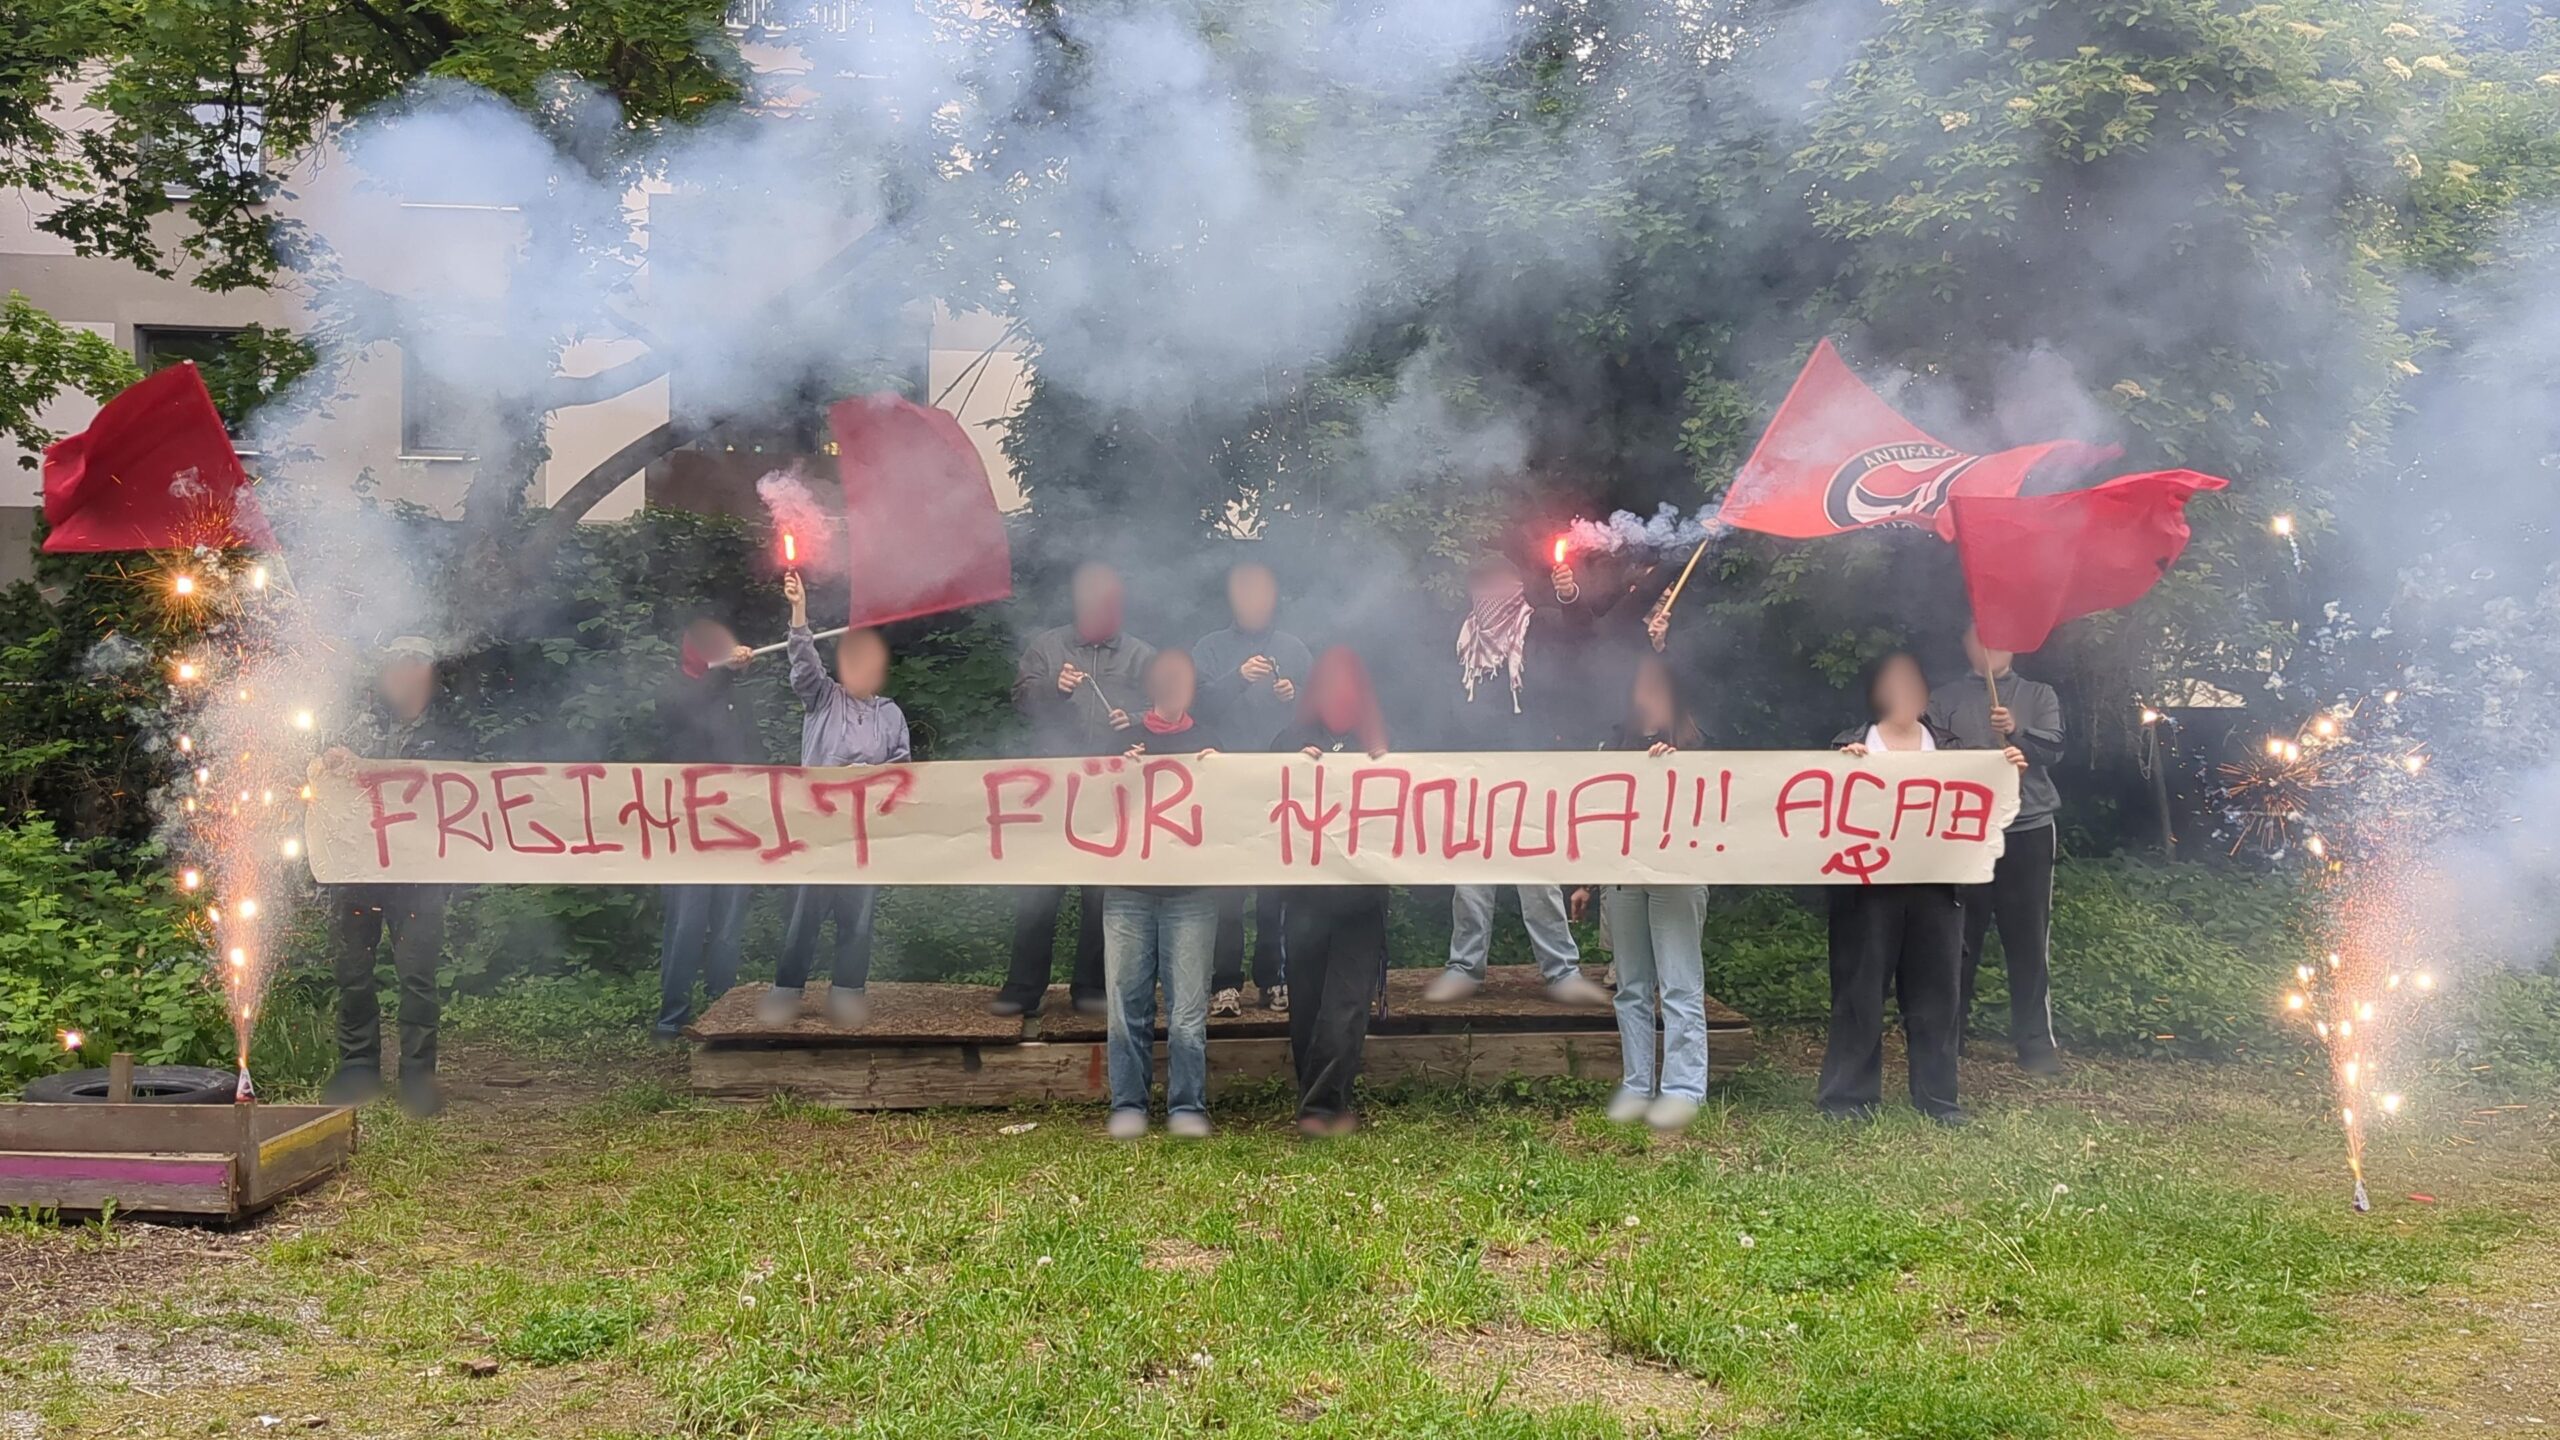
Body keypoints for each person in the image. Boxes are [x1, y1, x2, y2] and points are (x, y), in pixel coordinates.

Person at [1817, 650, 2029, 1126]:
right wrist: (1841, 769)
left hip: (1938, 888)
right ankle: (1847, 1099)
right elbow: (1825, 816)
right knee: (1860, 993)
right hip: (1868, 890)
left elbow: (1991, 808)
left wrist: (2008, 770)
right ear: (1875, 692)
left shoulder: (1951, 749)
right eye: (1893, 683)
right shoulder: (1849, 745)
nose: (1904, 693)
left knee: (1937, 996)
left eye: (1912, 683)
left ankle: (1939, 1100)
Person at [1424, 552, 1610, 1007]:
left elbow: (1583, 634)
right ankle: (1464, 967)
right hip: (1473, 772)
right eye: (1482, 584)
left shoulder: (1542, 624)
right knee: (1469, 875)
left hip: (1533, 766)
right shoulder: (1463, 638)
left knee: (1539, 874)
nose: (1491, 594)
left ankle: (1561, 969)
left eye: (1501, 582)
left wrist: (1570, 597)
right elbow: (1447, 705)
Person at [313, 636, 470, 1117]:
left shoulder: (450, 734)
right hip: (357, 870)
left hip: (421, 873)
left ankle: (417, 1078)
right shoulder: (358, 725)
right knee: (353, 974)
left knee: (418, 976)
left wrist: (372, 771)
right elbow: (324, 780)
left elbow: (451, 789)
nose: (405, 676)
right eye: (397, 667)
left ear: (430, 673)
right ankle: (358, 1068)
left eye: (415, 666)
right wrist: (335, 764)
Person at [996, 562, 1156, 1018]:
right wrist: (1053, 688)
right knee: (1038, 889)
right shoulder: (1048, 646)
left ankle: (1090, 986)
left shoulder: (1142, 655)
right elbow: (1021, 700)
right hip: (1052, 787)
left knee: (1101, 895)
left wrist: (1140, 722)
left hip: (1112, 791)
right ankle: (1024, 988)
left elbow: (1166, 707)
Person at [760, 573, 912, 1027]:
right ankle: (786, 991)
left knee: (858, 916)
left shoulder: (892, 714)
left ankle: (848, 992)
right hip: (819, 828)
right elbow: (804, 663)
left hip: (866, 833)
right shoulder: (823, 699)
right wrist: (799, 611)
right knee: (806, 913)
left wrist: (879, 779)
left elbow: (903, 770)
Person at [1569, 654, 1711, 1131]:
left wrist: (1678, 767)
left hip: (1676, 876)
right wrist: (1587, 881)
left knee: (1678, 984)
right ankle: (1636, 1084)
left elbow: (1718, 806)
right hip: (1623, 877)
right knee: (1630, 987)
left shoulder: (1697, 745)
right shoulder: (1615, 745)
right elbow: (1599, 815)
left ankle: (1683, 1089)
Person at [1931, 623, 2068, 1075]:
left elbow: (2054, 750)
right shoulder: (1942, 698)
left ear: (2014, 643)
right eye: (1977, 637)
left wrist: (2017, 732)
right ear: (1964, 644)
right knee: (1958, 940)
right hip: (1965, 832)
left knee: (2028, 939)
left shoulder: (2038, 694)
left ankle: (2036, 1047)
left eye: (1997, 637)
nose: (1988, 646)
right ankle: (1950, 1041)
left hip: (2028, 828)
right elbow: (1925, 757)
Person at [1100, 649, 1224, 1139]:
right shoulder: (1119, 738)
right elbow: (1091, 803)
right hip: (1128, 890)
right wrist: (1114, 768)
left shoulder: (1211, 743)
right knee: (1124, 1006)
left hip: (1192, 893)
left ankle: (1186, 1106)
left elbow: (1233, 817)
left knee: (1189, 1010)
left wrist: (1224, 775)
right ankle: (1128, 1103)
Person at [1274, 647, 1394, 1137]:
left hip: (1361, 899)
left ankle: (1322, 1108)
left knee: (1346, 1002)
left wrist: (1392, 771)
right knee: (1306, 1001)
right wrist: (1288, 766)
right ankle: (1321, 1097)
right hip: (1305, 899)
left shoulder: (1384, 743)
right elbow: (1258, 796)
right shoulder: (1289, 740)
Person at [1190, 558, 1310, 1016]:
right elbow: (1195, 707)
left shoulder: (1294, 648)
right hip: (1225, 781)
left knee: (1276, 888)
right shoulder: (1210, 648)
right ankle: (1224, 983)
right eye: (1245, 594)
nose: (1254, 602)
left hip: (1281, 782)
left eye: (1262, 593)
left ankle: (1274, 978)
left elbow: (1318, 711)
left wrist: (1293, 697)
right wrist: (1238, 678)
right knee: (1228, 891)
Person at [652, 616, 762, 1042]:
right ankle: (671, 1020)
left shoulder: (735, 698)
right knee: (687, 924)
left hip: (735, 830)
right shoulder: (678, 691)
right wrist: (725, 673)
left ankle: (720, 1013)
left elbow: (754, 753)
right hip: (687, 832)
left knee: (729, 926)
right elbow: (691, 712)